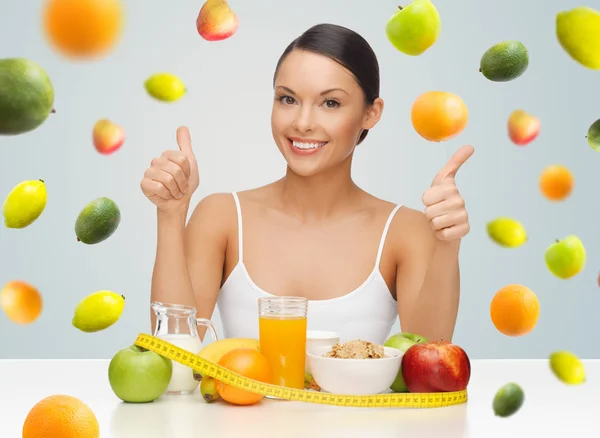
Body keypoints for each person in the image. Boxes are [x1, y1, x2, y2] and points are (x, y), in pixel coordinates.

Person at [141, 23, 474, 346]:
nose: (302, 123)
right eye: (288, 99)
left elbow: (429, 363)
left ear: (371, 113)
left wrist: (448, 245)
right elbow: (174, 360)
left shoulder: (406, 230)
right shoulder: (221, 216)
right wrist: (171, 214)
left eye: (330, 103)